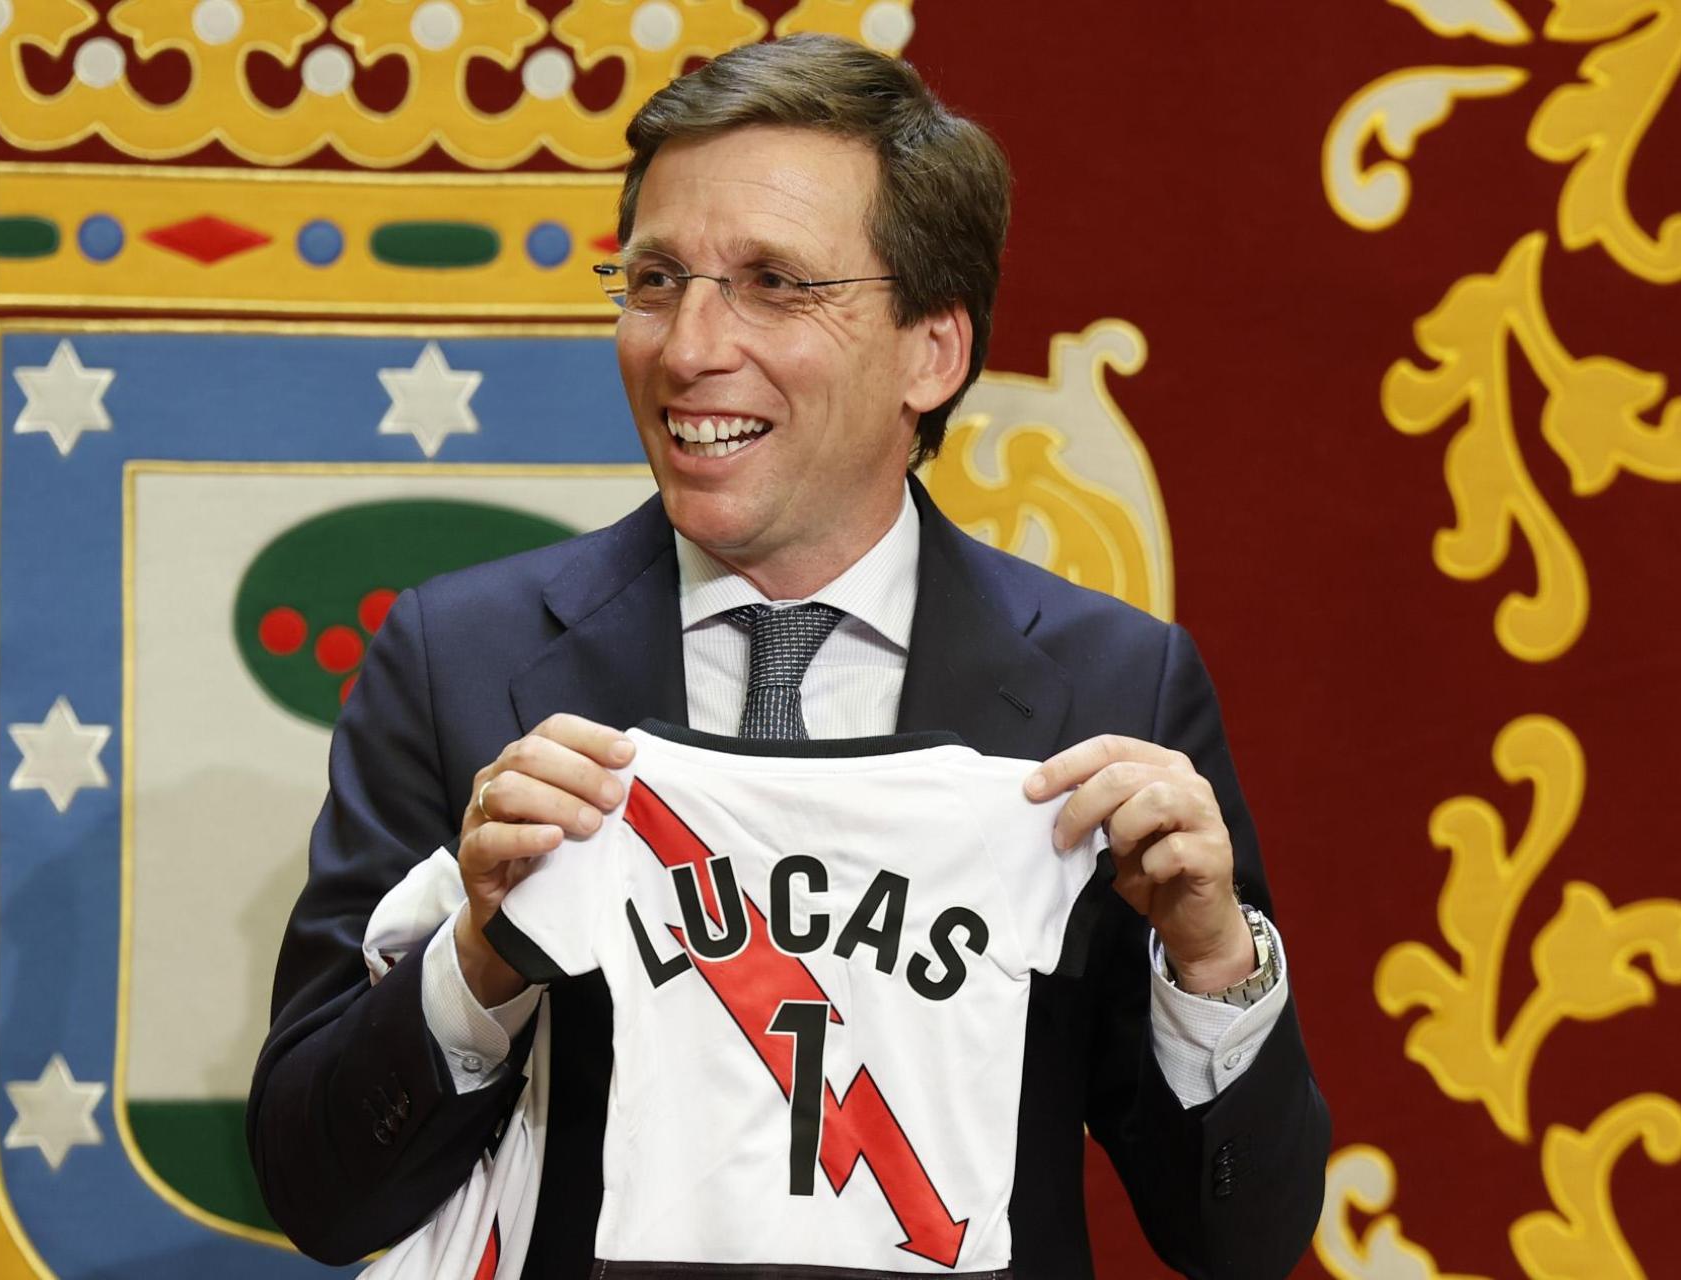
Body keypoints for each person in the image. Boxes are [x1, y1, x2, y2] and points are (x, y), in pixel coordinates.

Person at [248, 33, 1329, 1279]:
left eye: (773, 284)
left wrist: (1211, 962)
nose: (688, 345)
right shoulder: (460, 661)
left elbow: (1237, 1239)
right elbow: (319, 1192)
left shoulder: (1110, 692)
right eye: (654, 279)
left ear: (932, 350)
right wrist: (479, 958)